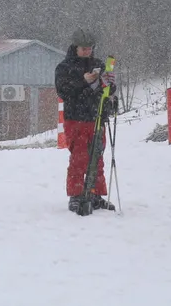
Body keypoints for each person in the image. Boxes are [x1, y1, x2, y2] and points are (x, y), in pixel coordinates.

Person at [55, 28, 117, 213]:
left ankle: (96, 194)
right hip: (76, 118)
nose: (87, 51)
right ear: (75, 47)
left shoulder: (98, 64)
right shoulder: (65, 67)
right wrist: (84, 82)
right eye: (84, 48)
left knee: (97, 157)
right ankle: (76, 195)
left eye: (90, 48)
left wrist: (110, 85)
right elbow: (64, 92)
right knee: (79, 158)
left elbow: (106, 90)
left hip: (96, 116)